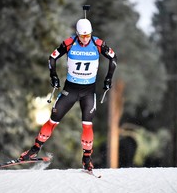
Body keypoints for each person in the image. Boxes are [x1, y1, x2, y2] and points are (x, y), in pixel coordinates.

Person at [19, 18, 117, 171]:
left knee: (87, 125)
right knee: (53, 120)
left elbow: (113, 58)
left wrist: (109, 78)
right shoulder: (70, 42)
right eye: (82, 36)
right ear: (77, 34)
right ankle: (34, 150)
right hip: (70, 89)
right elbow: (52, 58)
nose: (85, 39)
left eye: (88, 36)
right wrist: (54, 76)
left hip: (88, 92)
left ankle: (86, 159)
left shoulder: (97, 44)